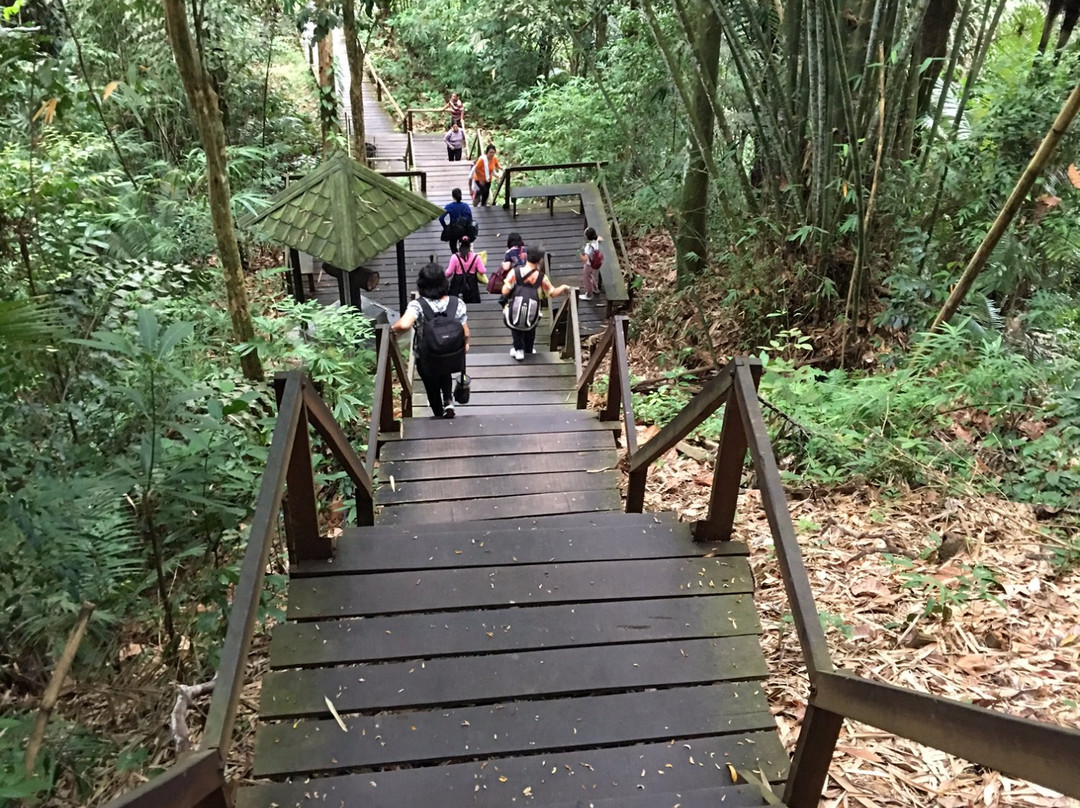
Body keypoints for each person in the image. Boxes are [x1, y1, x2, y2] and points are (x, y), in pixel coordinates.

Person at [391, 262, 470, 419]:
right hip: (451, 353)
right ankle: (448, 401)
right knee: (445, 372)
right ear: (443, 282)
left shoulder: (418, 305)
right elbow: (465, 331)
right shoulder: (457, 303)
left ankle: (438, 414)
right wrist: (465, 344)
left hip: (427, 356)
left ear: (422, 284)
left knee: (431, 384)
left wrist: (391, 330)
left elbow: (404, 324)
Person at [501, 245, 569, 360]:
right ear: (540, 260)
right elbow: (552, 293)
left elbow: (504, 291)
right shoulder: (541, 278)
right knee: (530, 330)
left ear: (526, 256)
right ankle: (528, 350)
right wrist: (562, 287)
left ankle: (518, 349)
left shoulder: (515, 272)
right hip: (533, 312)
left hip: (515, 308)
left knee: (515, 327)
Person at [445, 236, 487, 304]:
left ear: (459, 244)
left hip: (457, 283)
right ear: (470, 245)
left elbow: (449, 272)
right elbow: (482, 271)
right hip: (471, 283)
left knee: (454, 303)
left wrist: (442, 277)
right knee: (473, 304)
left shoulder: (455, 257)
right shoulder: (476, 257)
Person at [438, 188, 473, 255]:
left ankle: (456, 256)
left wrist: (446, 227)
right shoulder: (465, 206)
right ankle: (464, 255)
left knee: (452, 245)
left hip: (453, 230)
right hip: (464, 230)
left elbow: (441, 218)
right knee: (464, 243)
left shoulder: (449, 206)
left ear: (453, 196)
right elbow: (470, 218)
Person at [579, 226, 603, 301]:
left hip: (589, 264)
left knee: (586, 278)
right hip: (595, 263)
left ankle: (589, 294)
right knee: (590, 275)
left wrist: (579, 254)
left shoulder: (588, 247)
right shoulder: (596, 240)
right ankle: (595, 288)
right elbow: (601, 239)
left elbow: (585, 259)